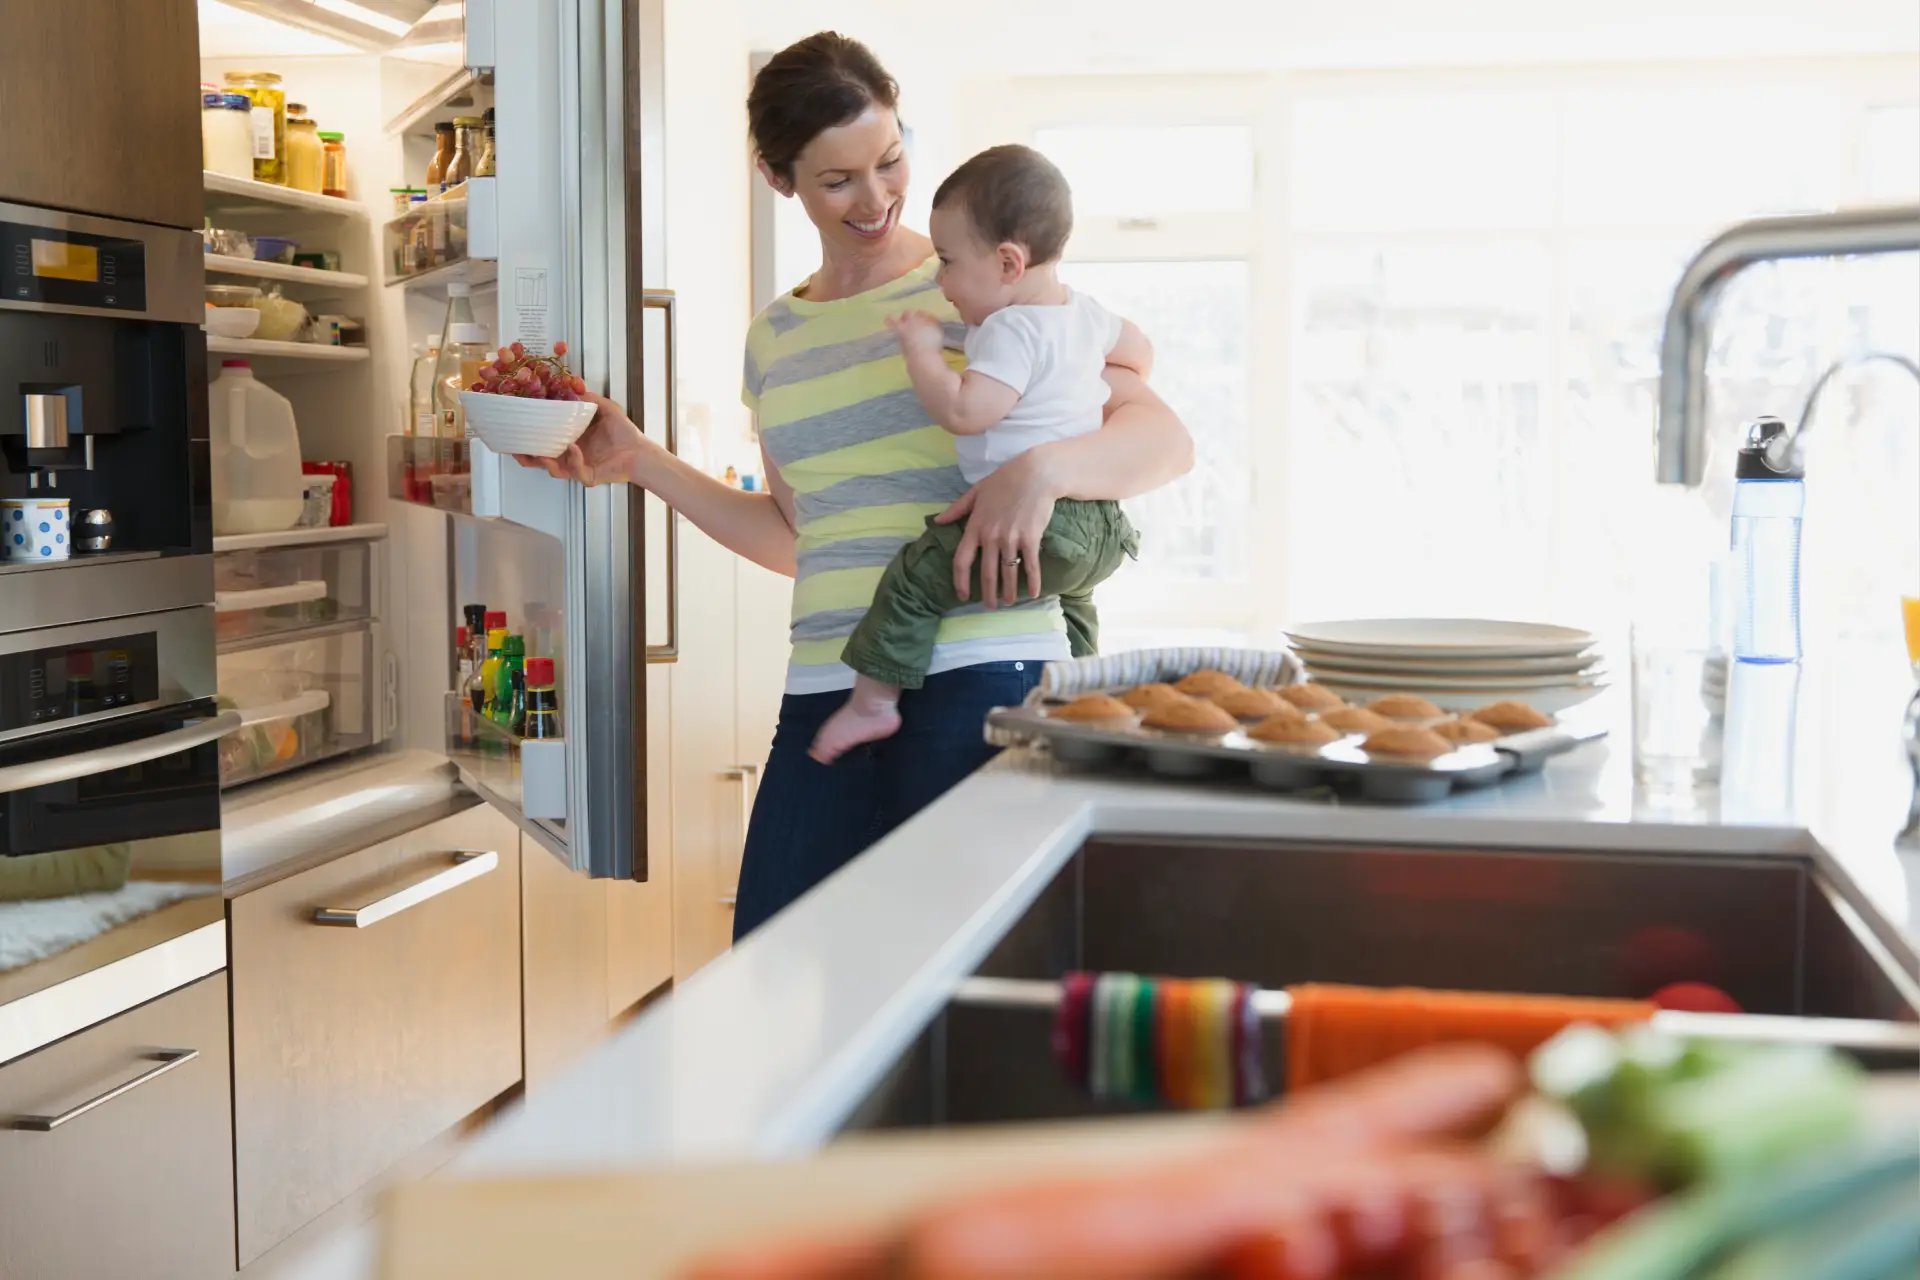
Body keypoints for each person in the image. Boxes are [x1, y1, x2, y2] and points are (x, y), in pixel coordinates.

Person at [521, 32, 1192, 941]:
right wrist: (642, 461)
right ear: (777, 177)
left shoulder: (980, 286)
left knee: (960, 979)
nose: (876, 199)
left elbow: (1164, 440)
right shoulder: (776, 339)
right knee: (776, 951)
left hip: (983, 671)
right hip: (829, 684)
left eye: (889, 160)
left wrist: (1044, 470)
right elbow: (803, 535)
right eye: (838, 180)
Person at [810, 144, 1150, 764]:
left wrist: (922, 352)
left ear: (1008, 263)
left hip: (1041, 527)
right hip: (1100, 524)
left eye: (947, 262)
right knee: (1069, 604)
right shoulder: (1085, 312)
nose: (940, 280)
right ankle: (1078, 699)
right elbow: (1141, 353)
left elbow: (966, 411)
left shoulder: (1010, 332)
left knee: (916, 576)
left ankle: (872, 704)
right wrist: (1081, 380)